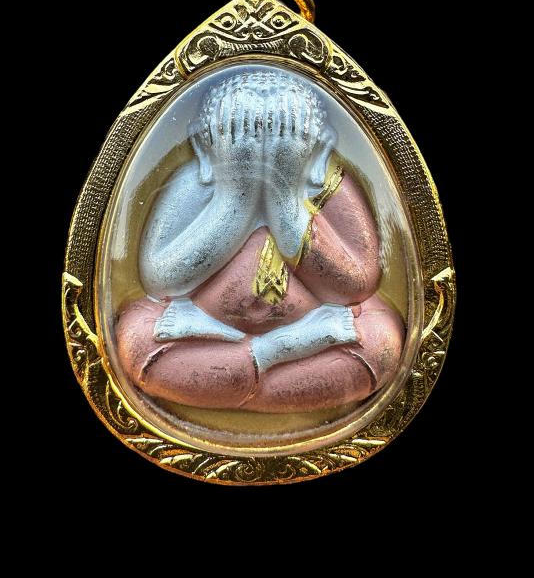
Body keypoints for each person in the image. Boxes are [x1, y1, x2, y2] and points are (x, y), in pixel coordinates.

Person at [117, 69, 404, 413]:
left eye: (285, 134)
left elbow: (353, 287)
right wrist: (234, 200)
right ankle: (268, 364)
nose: (262, 151)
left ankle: (237, 379)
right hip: (202, 331)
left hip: (313, 333)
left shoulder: (329, 187)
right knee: (134, 339)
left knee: (382, 341)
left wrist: (284, 200)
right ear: (204, 146)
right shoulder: (193, 184)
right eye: (239, 133)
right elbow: (161, 281)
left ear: (320, 147)